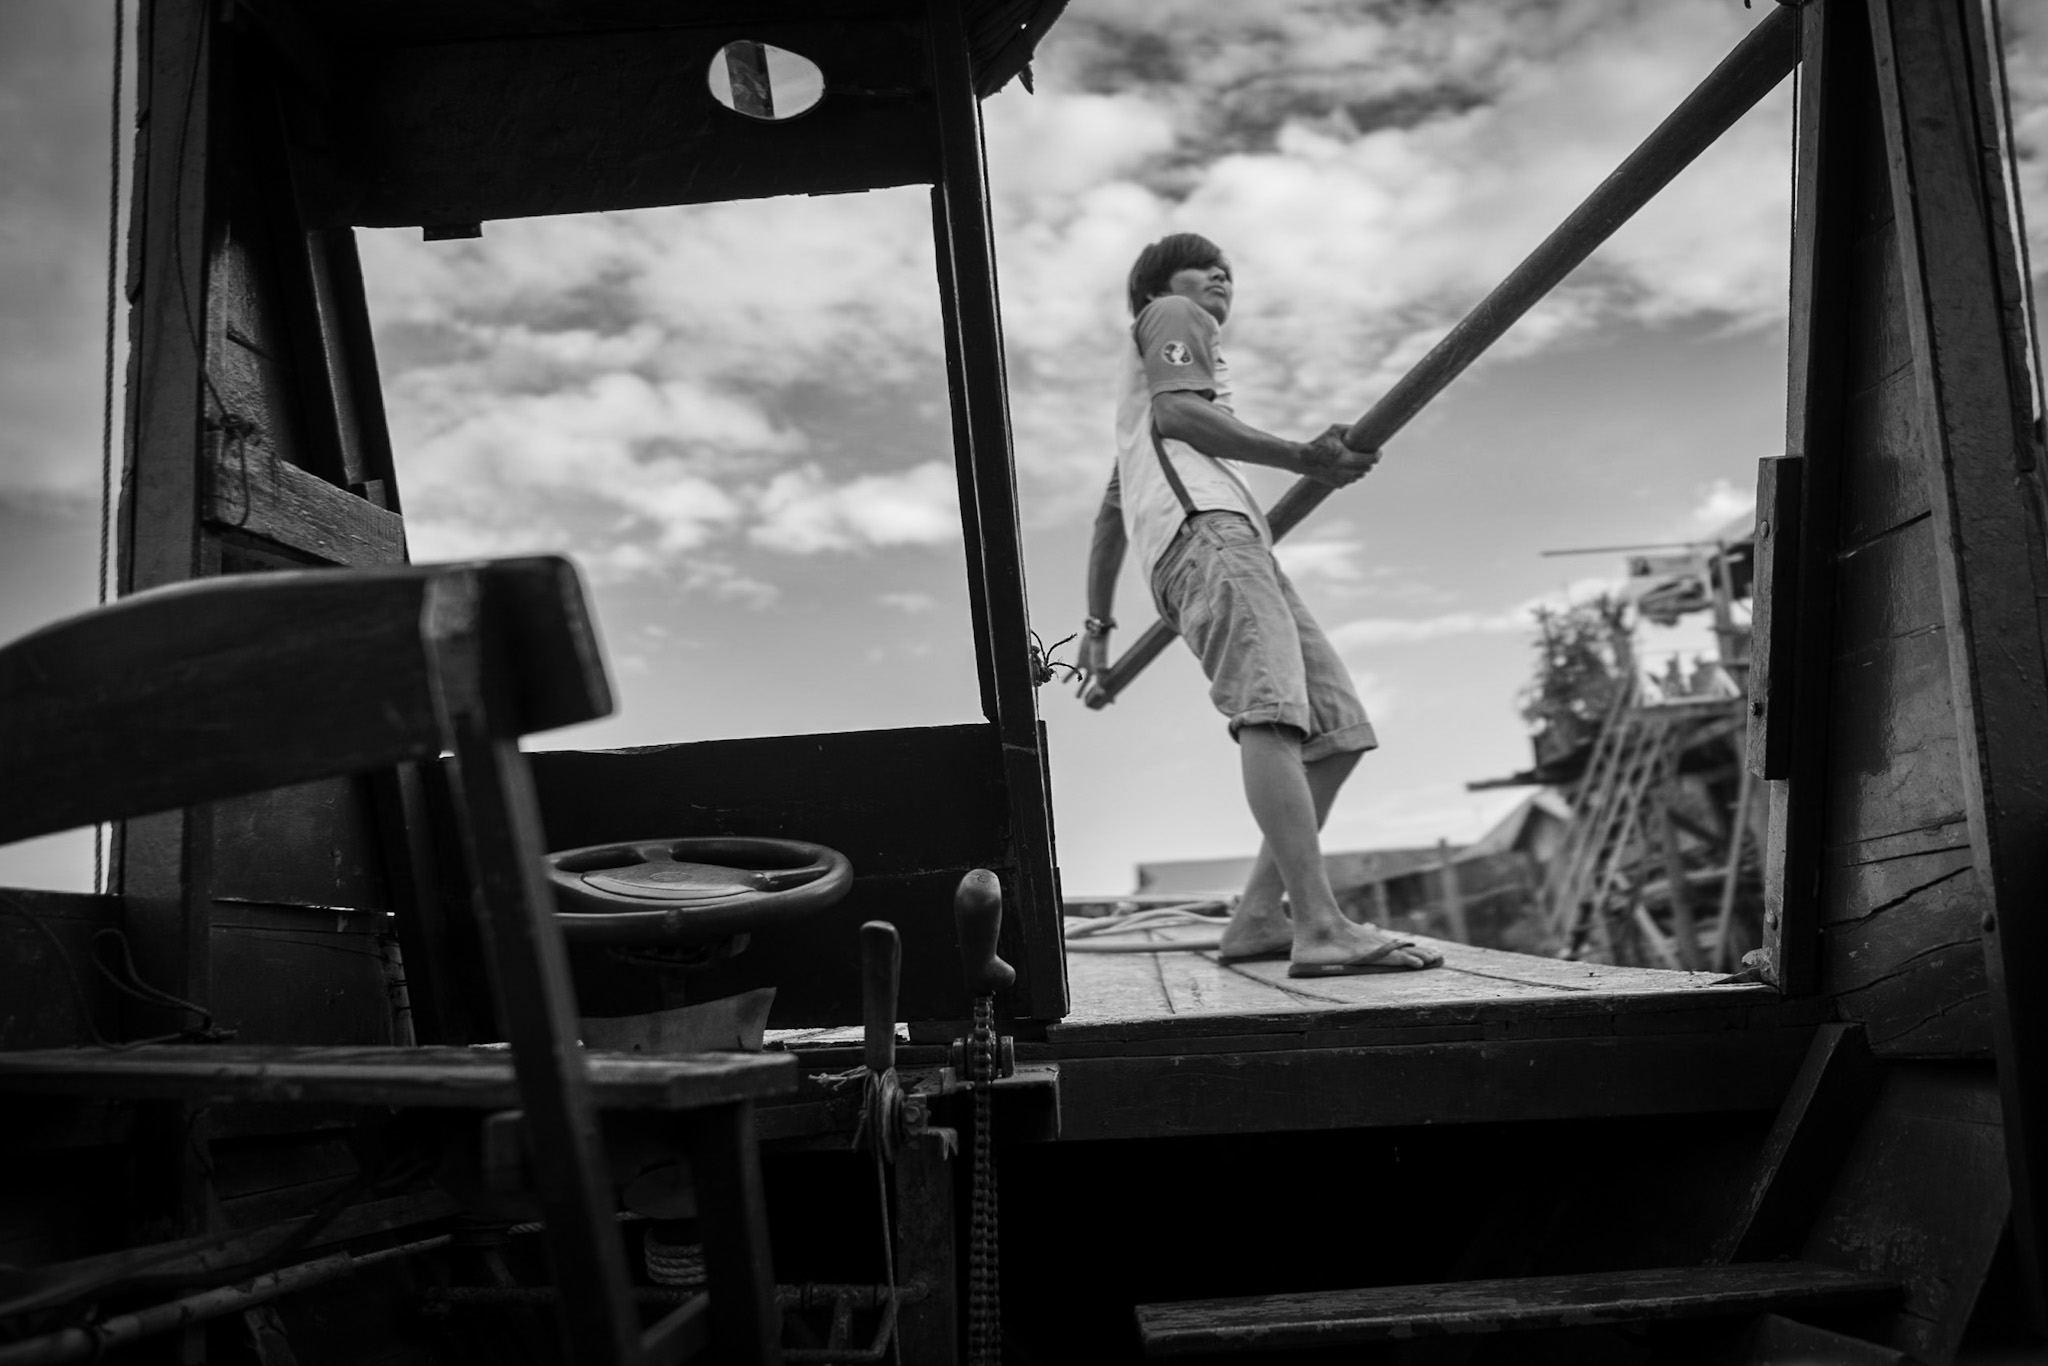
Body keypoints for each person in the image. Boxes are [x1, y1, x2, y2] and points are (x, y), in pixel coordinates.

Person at [1075, 232, 1442, 976]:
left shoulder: (1136, 412)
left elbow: (1111, 515)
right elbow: (1180, 416)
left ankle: (1256, 918)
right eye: (1202, 265)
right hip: (1210, 536)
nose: (1220, 275)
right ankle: (1319, 924)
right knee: (1271, 712)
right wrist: (1306, 458)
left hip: (1230, 546)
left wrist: (1098, 629)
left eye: (1229, 271)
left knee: (1337, 730)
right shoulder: (1171, 315)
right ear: (1156, 288)